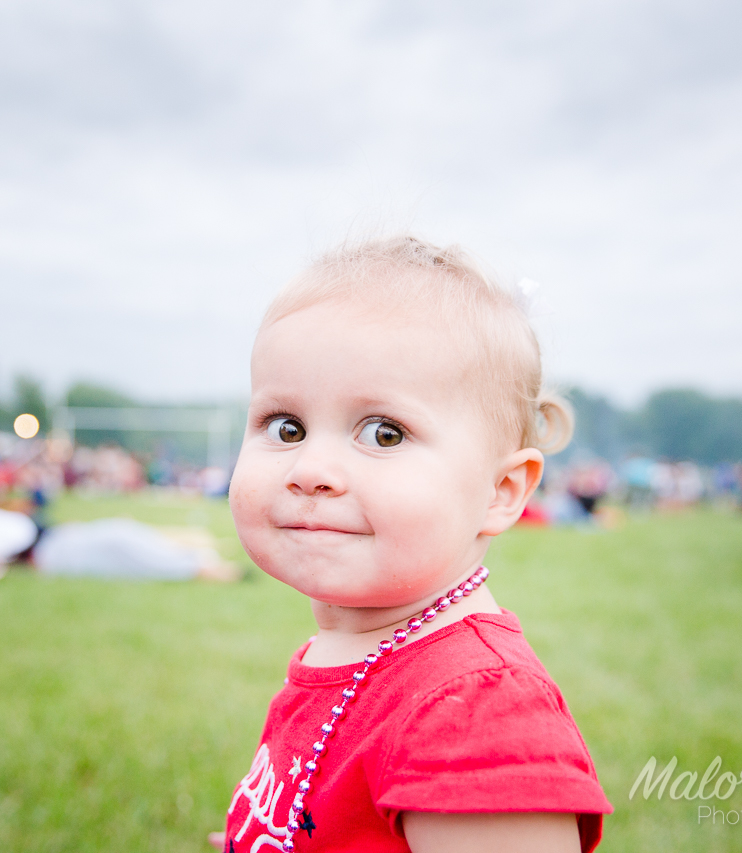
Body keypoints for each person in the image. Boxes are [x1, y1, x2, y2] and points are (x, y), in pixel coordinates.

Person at [217, 237, 612, 853]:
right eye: (286, 426)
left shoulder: (474, 710)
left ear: (500, 491)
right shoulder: (353, 646)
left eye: (384, 433)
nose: (312, 467)